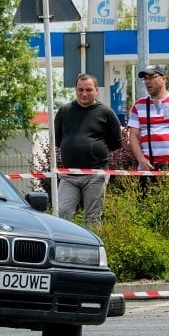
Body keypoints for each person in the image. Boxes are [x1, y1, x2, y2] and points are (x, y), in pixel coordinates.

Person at [53, 73, 123, 225]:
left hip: (96, 174)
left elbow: (117, 142)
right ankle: (64, 246)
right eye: (81, 89)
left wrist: (96, 151)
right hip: (69, 175)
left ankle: (93, 248)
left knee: (92, 218)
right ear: (75, 90)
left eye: (89, 90)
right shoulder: (64, 112)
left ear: (96, 90)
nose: (84, 93)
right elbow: (58, 141)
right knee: (61, 213)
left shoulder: (106, 113)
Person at [127, 65, 169, 190]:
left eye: (152, 77)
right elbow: (133, 135)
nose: (148, 82)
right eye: (145, 79)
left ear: (164, 79)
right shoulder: (139, 105)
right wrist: (141, 160)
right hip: (148, 169)